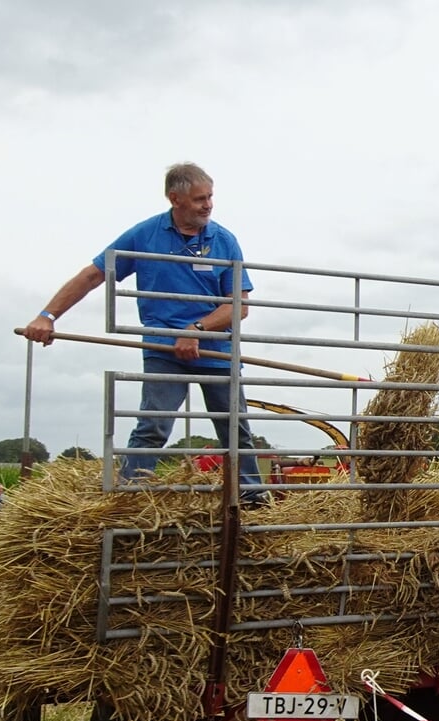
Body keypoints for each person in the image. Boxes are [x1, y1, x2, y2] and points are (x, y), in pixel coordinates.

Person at [22, 161, 264, 497]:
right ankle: (130, 495)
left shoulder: (224, 240)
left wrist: (196, 330)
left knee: (234, 429)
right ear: (174, 199)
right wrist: (48, 315)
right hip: (164, 348)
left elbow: (239, 306)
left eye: (210, 197)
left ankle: (252, 497)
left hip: (216, 349)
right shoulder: (144, 235)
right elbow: (93, 275)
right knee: (153, 424)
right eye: (199, 199)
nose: (208, 205)